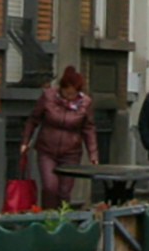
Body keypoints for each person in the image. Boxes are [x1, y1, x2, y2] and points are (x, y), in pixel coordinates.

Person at [21, 65, 95, 206]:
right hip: (47, 149)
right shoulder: (48, 97)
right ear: (61, 88)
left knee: (64, 191)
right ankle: (49, 215)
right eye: (66, 93)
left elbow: (89, 128)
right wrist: (26, 141)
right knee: (50, 187)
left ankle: (62, 216)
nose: (69, 98)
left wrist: (93, 153)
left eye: (73, 95)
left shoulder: (85, 103)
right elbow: (33, 119)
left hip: (71, 152)